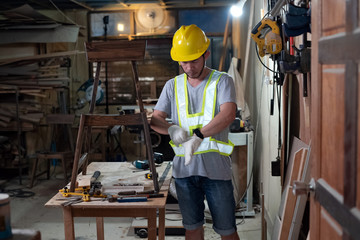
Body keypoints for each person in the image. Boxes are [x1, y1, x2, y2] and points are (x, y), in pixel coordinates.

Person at [150, 24, 240, 240]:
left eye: (193, 60)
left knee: (227, 231)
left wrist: (198, 136)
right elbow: (154, 119)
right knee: (192, 229)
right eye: (183, 62)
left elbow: (228, 114)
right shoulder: (172, 86)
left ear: (206, 54)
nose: (188, 67)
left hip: (216, 172)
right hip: (184, 173)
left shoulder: (222, 81)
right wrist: (170, 128)